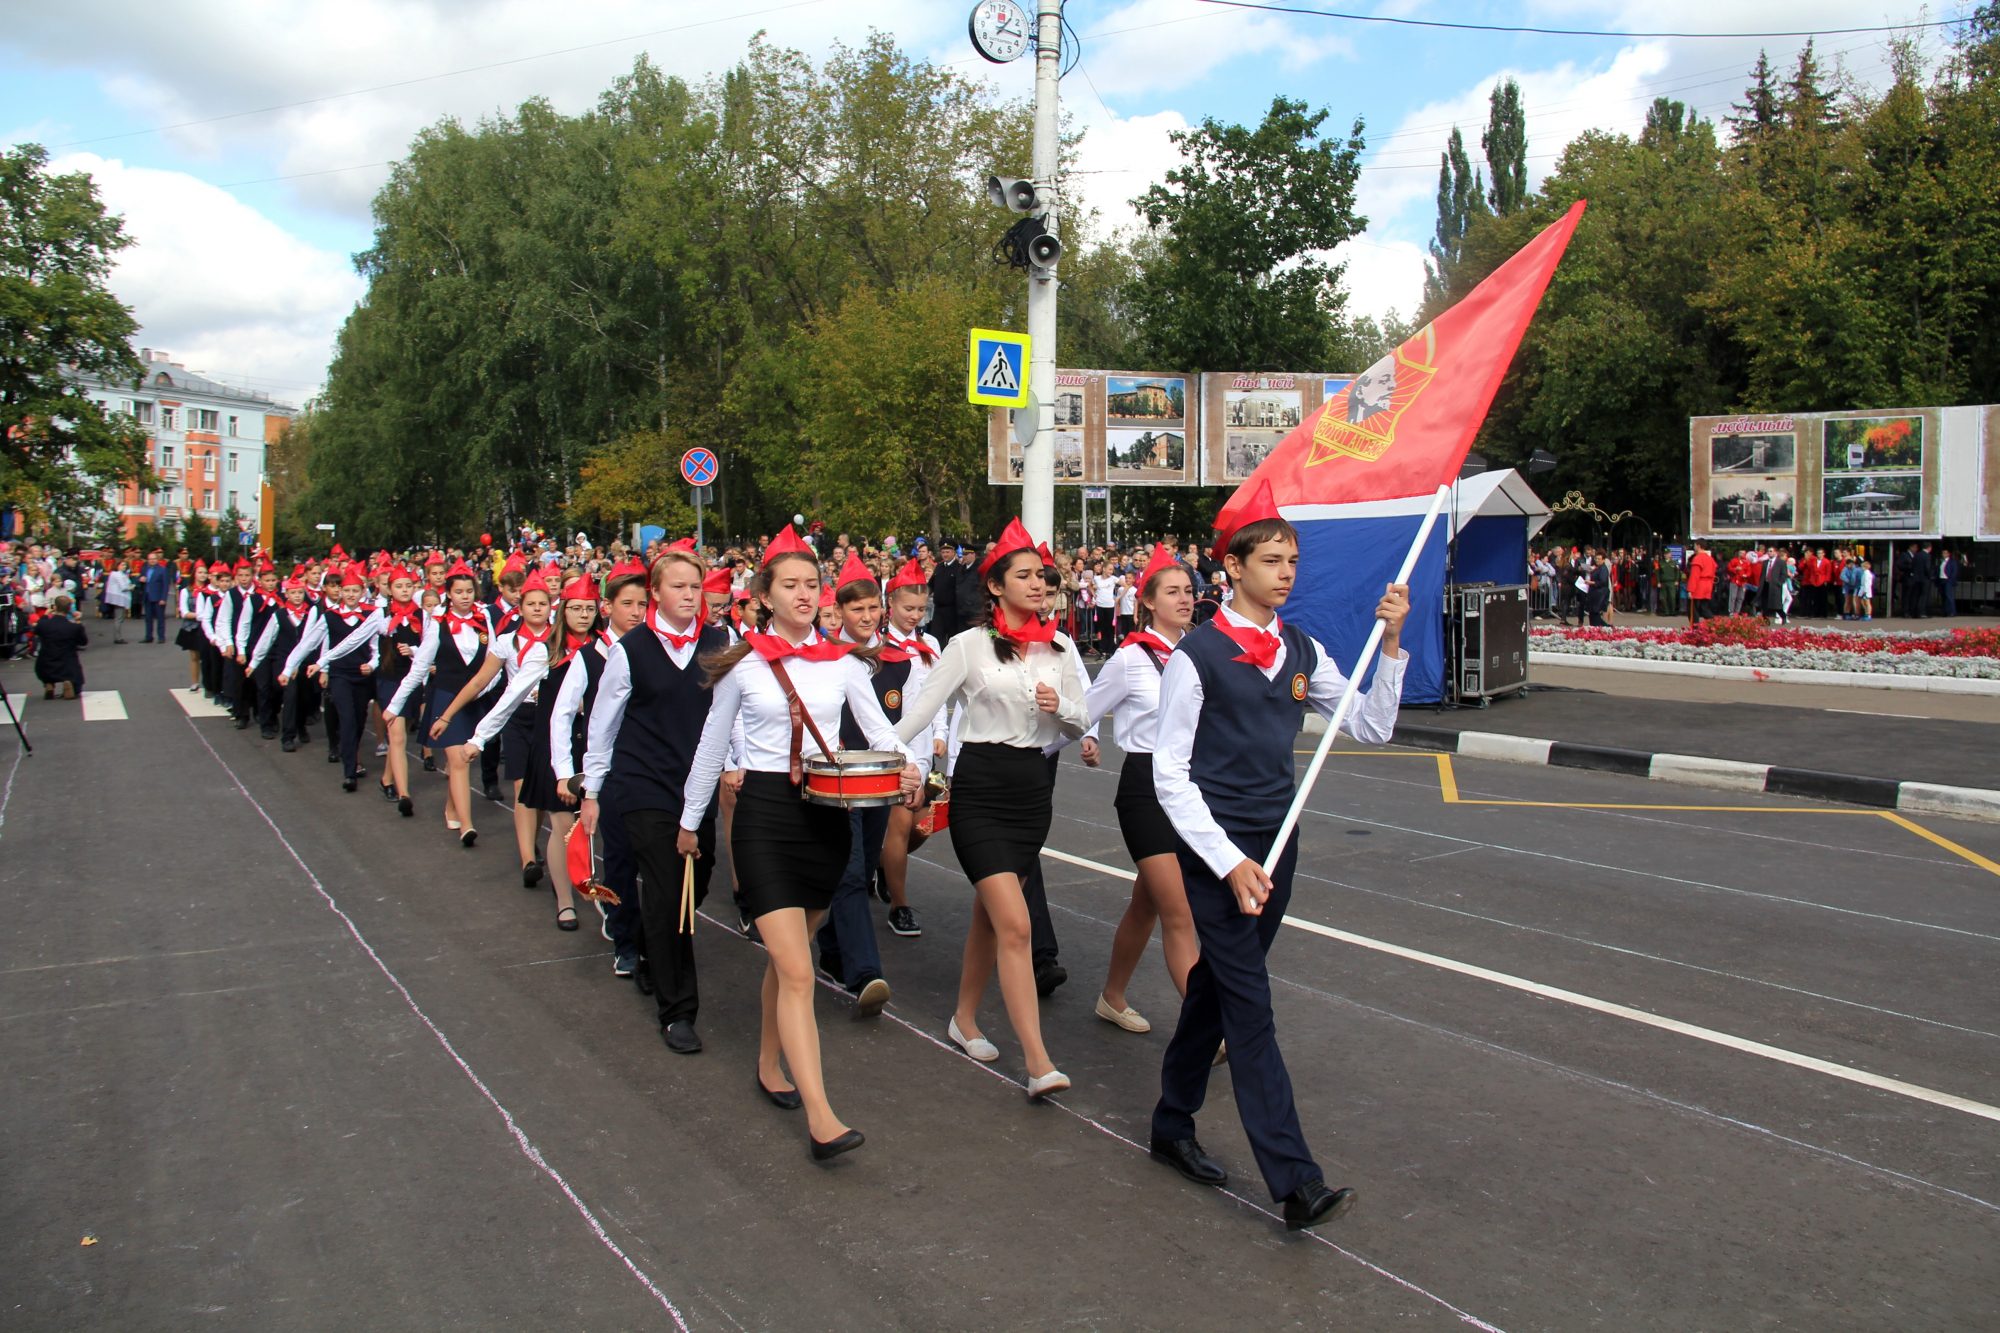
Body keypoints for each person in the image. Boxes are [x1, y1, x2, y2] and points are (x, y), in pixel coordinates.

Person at [1147, 478, 1409, 1231]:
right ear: (1233, 568)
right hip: (1217, 852)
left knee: (1216, 989)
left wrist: (1389, 643)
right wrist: (1227, 861)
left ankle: (1171, 1122)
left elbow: (1368, 726)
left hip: (1278, 844)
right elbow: (1169, 775)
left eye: (1292, 558)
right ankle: (1296, 1180)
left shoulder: (1301, 648)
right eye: (1271, 558)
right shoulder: (1193, 657)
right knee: (1251, 1005)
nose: (1287, 571)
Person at [679, 528, 925, 1160]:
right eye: (789, 585)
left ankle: (768, 1062)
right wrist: (689, 822)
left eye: (812, 585)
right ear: (763, 594)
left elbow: (879, 731)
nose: (803, 595)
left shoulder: (843, 664)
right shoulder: (745, 666)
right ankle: (822, 1118)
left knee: (789, 963)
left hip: (824, 817)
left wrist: (911, 768)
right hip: (763, 816)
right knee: (797, 969)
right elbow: (710, 750)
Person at [896, 518, 1086, 1100]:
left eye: (1045, 578)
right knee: (1016, 922)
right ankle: (1037, 1062)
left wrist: (1064, 710)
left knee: (990, 915)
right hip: (980, 788)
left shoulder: (1060, 646)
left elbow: (1083, 718)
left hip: (1033, 794)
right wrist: (882, 758)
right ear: (997, 586)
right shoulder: (967, 646)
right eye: (1025, 576)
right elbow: (918, 713)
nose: (1039, 586)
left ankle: (964, 1019)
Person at [581, 546, 732, 1027]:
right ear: (655, 593)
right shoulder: (630, 650)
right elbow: (603, 724)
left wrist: (736, 762)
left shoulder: (720, 639)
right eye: (678, 586)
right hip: (643, 783)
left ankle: (649, 944)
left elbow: (734, 711)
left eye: (694, 586)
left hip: (698, 783)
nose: (689, 595)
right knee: (669, 892)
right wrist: (591, 789)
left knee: (695, 885)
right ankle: (678, 1011)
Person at [1068, 543, 1200, 1036]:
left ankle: (1112, 996)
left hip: (1190, 788)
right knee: (1178, 910)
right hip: (1145, 787)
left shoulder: (1202, 651)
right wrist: (1084, 736)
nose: (1185, 599)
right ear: (1147, 601)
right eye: (1173, 592)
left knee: (1147, 902)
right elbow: (1085, 707)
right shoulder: (1130, 658)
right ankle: (1211, 1025)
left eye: (1189, 590)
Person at [454, 569, 559, 884]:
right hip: (516, 717)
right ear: (521, 607)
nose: (537, 609)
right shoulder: (505, 641)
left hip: (549, 718)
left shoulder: (559, 639)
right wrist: (449, 714)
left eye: (543, 603)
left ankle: (535, 843)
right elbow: (481, 681)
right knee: (520, 785)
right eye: (531, 604)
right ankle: (528, 857)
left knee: (541, 788)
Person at [385, 560, 493, 843]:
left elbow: (495, 660)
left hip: (475, 698)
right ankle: (467, 826)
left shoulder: (485, 618)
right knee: (457, 757)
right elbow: (419, 666)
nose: (465, 596)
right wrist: (395, 706)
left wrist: (487, 690)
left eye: (469, 591)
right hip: (446, 696)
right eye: (459, 591)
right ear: (449, 594)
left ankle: (451, 806)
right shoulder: (437, 622)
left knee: (465, 759)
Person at [875, 558, 946, 939]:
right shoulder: (877, 644)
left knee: (917, 822)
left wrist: (942, 732)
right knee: (899, 823)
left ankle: (886, 867)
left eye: (921, 609)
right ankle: (899, 904)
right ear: (891, 605)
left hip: (922, 746)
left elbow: (938, 695)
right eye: (908, 609)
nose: (914, 616)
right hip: (888, 744)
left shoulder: (930, 644)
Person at [33, 594, 87, 699]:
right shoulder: (74, 627)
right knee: (75, 671)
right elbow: (83, 642)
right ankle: (70, 684)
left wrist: (45, 615)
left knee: (44, 666)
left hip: (46, 663)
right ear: (69, 610)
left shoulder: (44, 624)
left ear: (55, 607)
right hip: (67, 664)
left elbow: (36, 630)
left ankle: (49, 684)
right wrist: (78, 621)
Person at [142, 550, 174, 644]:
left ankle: (161, 637)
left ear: (157, 559)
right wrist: (141, 579)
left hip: (158, 597)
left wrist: (163, 598)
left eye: (154, 559)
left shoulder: (162, 569)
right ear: (147, 560)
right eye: (150, 559)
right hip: (147, 596)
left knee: (160, 618)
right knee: (148, 618)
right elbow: (141, 580)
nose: (152, 561)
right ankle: (148, 636)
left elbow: (165, 585)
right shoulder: (145, 569)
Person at [1685, 541, 1716, 625]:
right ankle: (1714, 624)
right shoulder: (1710, 558)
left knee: (1692, 609)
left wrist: (1690, 590)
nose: (1694, 547)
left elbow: (1694, 575)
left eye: (1695, 546)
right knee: (1704, 608)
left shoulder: (1698, 558)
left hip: (1699, 585)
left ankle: (1695, 628)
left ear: (1698, 546)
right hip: (1708, 585)